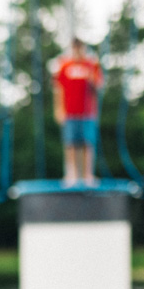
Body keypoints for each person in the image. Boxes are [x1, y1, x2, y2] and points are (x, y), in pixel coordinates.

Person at [52, 38, 104, 187]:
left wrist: (90, 76)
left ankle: (88, 175)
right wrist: (59, 109)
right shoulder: (65, 66)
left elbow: (98, 86)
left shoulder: (92, 66)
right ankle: (72, 174)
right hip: (70, 112)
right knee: (70, 144)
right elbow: (59, 89)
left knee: (88, 143)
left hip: (88, 112)